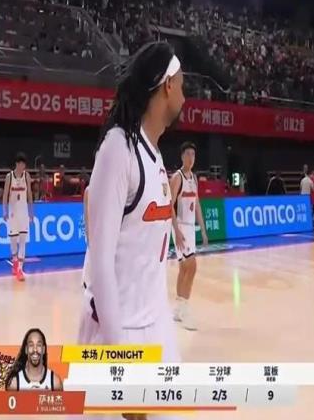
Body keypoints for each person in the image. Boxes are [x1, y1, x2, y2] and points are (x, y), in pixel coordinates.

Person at [78, 42, 185, 420]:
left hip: (153, 321)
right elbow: (100, 263)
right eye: (182, 85)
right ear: (167, 85)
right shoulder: (118, 148)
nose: (185, 96)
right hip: (119, 330)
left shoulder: (153, 153)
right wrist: (119, 356)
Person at [170, 142, 208, 330]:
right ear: (182, 156)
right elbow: (168, 205)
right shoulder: (177, 178)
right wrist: (176, 230)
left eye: (193, 154)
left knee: (184, 269)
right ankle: (185, 310)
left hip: (191, 228)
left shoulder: (194, 177)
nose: (191, 158)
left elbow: (197, 203)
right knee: (192, 267)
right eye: (188, 154)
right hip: (180, 226)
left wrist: (203, 229)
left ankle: (178, 309)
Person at [3, 153, 33, 281]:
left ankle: (20, 269)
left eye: (24, 164)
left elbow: (30, 194)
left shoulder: (27, 176)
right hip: (13, 213)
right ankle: (15, 261)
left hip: (23, 212)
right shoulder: (9, 177)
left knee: (23, 241)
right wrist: (4, 211)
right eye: (20, 164)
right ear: (16, 164)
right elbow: (5, 195)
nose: (22, 166)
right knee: (13, 241)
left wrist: (31, 212)